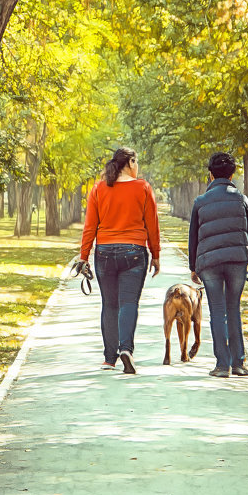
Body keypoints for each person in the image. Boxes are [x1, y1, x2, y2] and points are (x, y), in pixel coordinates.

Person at [76, 147, 161, 374]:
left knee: (109, 304)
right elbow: (152, 224)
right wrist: (156, 254)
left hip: (104, 252)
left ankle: (109, 358)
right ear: (131, 162)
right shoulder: (142, 187)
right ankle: (126, 349)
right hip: (134, 252)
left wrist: (84, 257)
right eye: (137, 162)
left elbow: (90, 226)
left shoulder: (99, 188)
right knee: (128, 303)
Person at [188, 152, 248, 378]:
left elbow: (193, 237)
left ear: (211, 174)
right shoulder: (241, 199)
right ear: (232, 174)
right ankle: (239, 363)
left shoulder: (200, 202)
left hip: (209, 263)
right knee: (233, 309)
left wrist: (193, 267)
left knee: (217, 311)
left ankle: (222, 365)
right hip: (237, 261)